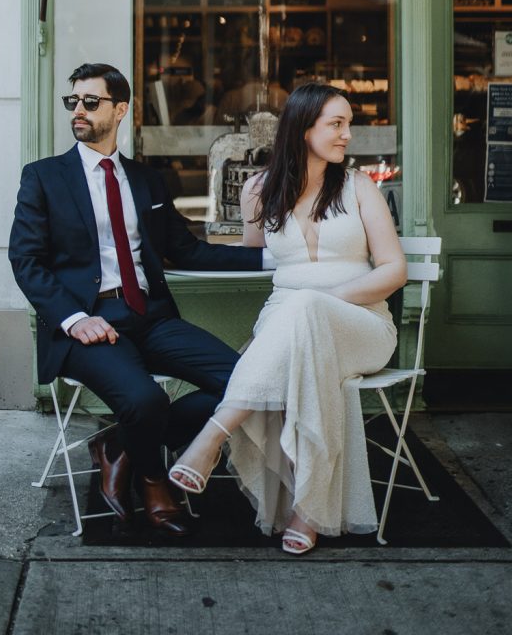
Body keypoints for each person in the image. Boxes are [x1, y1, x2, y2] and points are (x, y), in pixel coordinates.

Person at [8, 62, 266, 537]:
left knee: (243, 383)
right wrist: (73, 318)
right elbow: (26, 261)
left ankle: (120, 445)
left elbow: (185, 250)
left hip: (150, 316)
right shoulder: (43, 178)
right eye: (73, 102)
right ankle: (152, 480)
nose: (79, 110)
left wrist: (273, 259)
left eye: (91, 101)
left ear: (120, 109)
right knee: (145, 398)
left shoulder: (146, 181)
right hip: (88, 323)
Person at [169, 83, 406, 554]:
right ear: (303, 129)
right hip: (288, 331)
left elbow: (394, 270)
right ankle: (307, 510)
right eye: (336, 124)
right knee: (301, 330)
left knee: (304, 305)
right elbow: (253, 254)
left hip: (361, 325)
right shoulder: (259, 191)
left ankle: (213, 436)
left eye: (348, 125)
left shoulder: (359, 187)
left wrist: (325, 300)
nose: (347, 136)